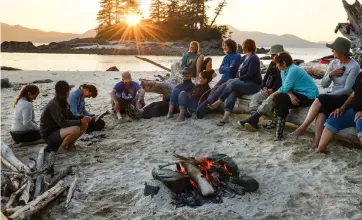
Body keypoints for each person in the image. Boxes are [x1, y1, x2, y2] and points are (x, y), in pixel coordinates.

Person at [289, 37, 360, 148]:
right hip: (333, 96)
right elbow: (324, 84)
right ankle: (317, 143)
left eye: (334, 49)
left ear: (340, 51)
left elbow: (347, 89)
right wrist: (331, 74)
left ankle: (302, 128)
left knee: (321, 98)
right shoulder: (333, 63)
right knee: (322, 111)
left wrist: (328, 95)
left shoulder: (354, 66)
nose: (332, 52)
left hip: (345, 97)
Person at [208, 39, 262, 126]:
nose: (242, 48)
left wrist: (236, 80)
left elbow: (250, 74)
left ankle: (219, 101)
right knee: (233, 92)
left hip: (253, 84)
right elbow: (238, 72)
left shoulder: (254, 58)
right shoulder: (244, 57)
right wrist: (236, 78)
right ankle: (225, 118)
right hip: (244, 82)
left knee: (232, 84)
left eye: (244, 46)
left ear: (248, 47)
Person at [268, 52, 319, 140]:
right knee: (280, 98)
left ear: (283, 63)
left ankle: (278, 131)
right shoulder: (283, 71)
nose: (276, 65)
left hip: (309, 95)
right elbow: (285, 87)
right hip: (297, 93)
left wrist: (273, 93)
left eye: (277, 63)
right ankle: (276, 126)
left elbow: (285, 87)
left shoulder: (293, 70)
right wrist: (291, 95)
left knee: (280, 97)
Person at [238, 44, 284, 131]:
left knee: (267, 102)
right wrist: (264, 87)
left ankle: (251, 121)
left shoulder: (283, 66)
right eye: (271, 55)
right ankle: (253, 122)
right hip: (267, 89)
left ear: (279, 55)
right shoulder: (272, 63)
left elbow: (282, 82)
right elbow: (266, 77)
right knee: (255, 98)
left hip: (277, 91)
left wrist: (272, 90)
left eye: (273, 55)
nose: (272, 57)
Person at [316, 71, 362, 153]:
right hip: (355, 111)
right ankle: (320, 150)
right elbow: (353, 95)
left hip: (360, 113)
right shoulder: (360, 74)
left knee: (360, 123)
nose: (360, 59)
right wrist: (342, 108)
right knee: (334, 117)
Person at [195, 39, 241, 118]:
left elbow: (232, 69)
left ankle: (205, 109)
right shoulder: (226, 57)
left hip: (231, 80)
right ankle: (205, 107)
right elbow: (220, 70)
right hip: (223, 78)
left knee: (217, 92)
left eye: (226, 46)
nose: (224, 47)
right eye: (223, 46)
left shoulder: (237, 56)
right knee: (213, 90)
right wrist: (227, 68)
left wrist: (225, 68)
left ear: (231, 46)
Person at [40, 81, 91, 153]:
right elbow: (62, 123)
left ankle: (71, 146)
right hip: (49, 136)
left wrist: (82, 117)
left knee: (84, 124)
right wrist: (80, 121)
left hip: (59, 131)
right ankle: (61, 148)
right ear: (66, 92)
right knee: (75, 129)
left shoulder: (63, 102)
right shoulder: (54, 104)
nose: (70, 92)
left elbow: (70, 116)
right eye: (69, 90)